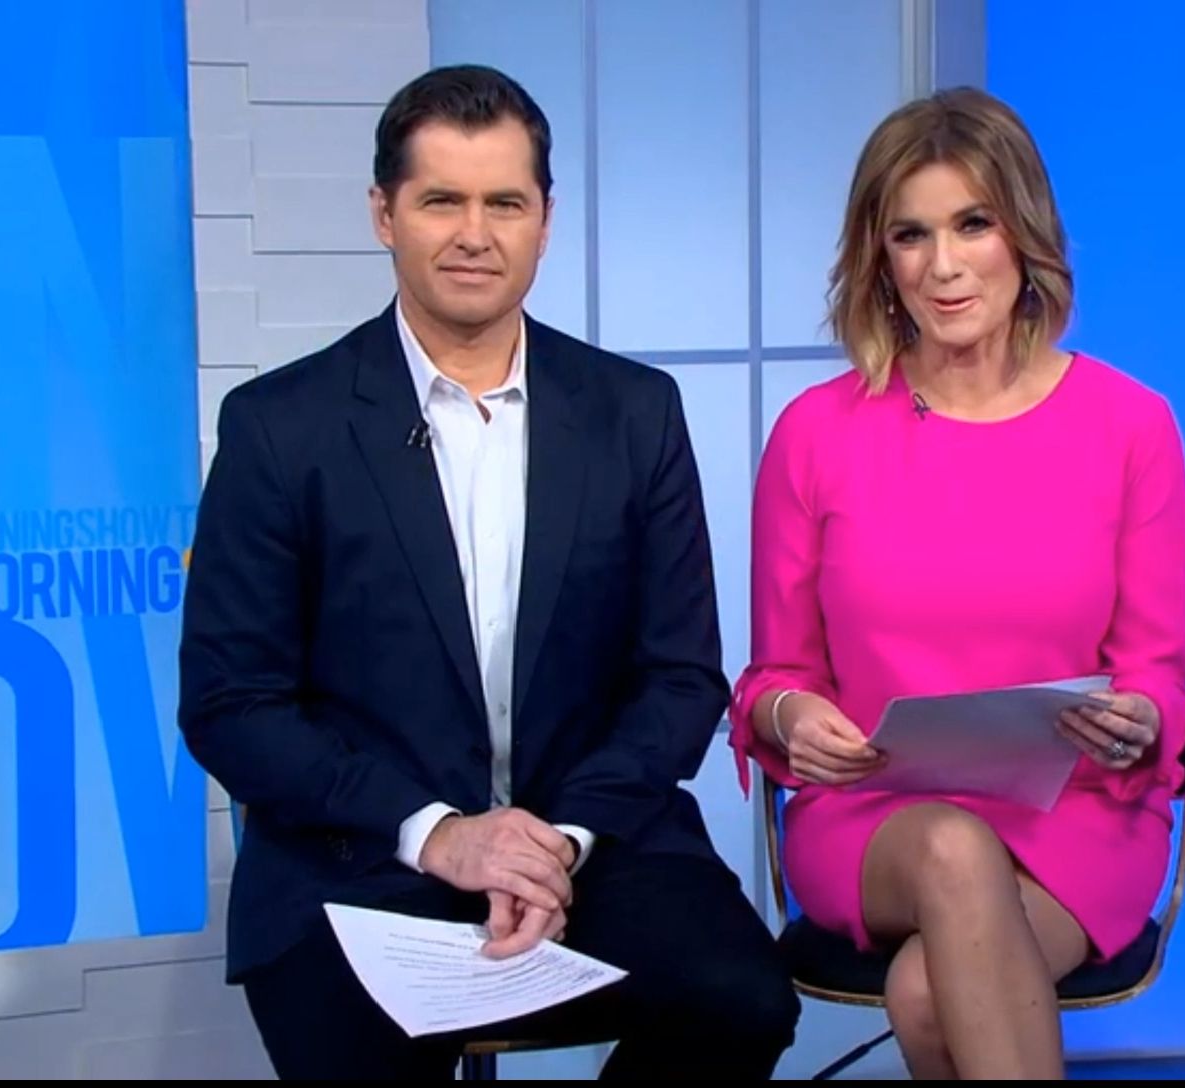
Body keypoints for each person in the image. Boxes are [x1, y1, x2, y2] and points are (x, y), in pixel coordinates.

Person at [180, 64, 799, 1080]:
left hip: (590, 838)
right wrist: (440, 835)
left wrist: (557, 839)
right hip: (362, 850)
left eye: (504, 203)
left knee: (741, 1000)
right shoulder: (279, 428)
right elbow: (231, 704)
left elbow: (680, 678)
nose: (475, 234)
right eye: (442, 201)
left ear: (544, 220)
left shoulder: (634, 412)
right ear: (383, 214)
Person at [729, 86, 1185, 1080]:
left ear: (1024, 232)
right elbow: (773, 675)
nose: (942, 265)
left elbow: (1155, 672)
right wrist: (789, 715)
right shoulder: (815, 435)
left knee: (925, 991)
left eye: (972, 224)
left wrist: (1138, 720)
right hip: (872, 819)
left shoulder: (1131, 427)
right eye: (911, 234)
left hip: (1073, 813)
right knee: (949, 848)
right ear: (880, 258)